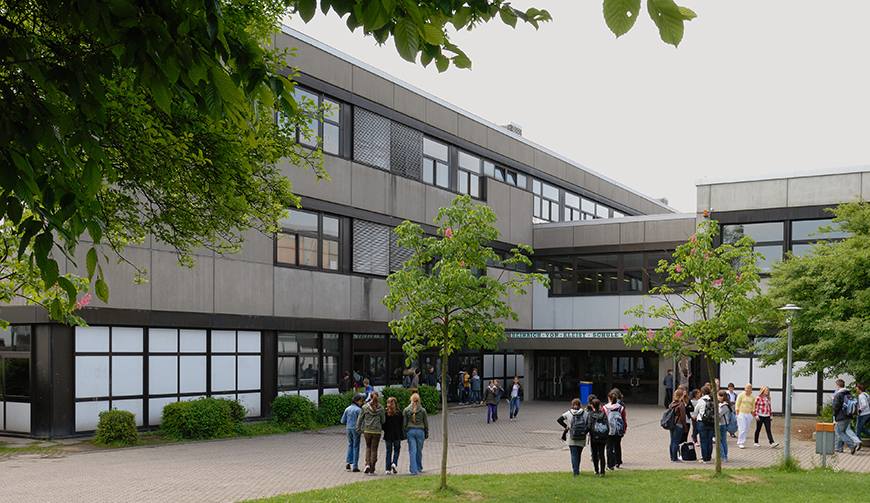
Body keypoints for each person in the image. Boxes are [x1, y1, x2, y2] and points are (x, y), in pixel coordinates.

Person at [356, 391, 386, 475]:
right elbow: (383, 420)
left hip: (367, 430)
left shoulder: (365, 407)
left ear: (370, 398)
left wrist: (358, 428)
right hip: (376, 431)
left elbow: (360, 418)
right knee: (374, 449)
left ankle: (367, 464)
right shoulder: (381, 408)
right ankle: (372, 469)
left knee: (368, 447)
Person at [557, 398, 587, 476]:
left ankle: (575, 471)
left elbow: (559, 420)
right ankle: (577, 468)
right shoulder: (585, 413)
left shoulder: (568, 413)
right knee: (579, 454)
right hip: (581, 437)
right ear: (580, 405)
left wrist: (566, 426)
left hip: (572, 437)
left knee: (574, 455)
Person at [403, 392, 429, 475]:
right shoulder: (423, 410)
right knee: (419, 450)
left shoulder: (406, 410)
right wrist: (426, 434)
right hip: (420, 431)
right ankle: (419, 467)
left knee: (412, 450)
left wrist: (403, 434)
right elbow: (426, 423)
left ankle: (413, 470)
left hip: (410, 431)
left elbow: (404, 423)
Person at [832, 379, 860, 454]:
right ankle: (839, 448)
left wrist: (834, 414)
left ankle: (852, 445)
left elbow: (836, 406)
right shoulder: (848, 394)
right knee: (843, 431)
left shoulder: (839, 394)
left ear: (838, 386)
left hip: (841, 416)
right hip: (849, 415)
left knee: (839, 432)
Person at [602, 389, 626, 470]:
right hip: (618, 429)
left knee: (609, 447)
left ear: (609, 398)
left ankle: (610, 465)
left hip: (609, 430)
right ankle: (618, 461)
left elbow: (603, 420)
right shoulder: (621, 408)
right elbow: (623, 419)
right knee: (617, 445)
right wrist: (623, 430)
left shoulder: (605, 408)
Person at [340, 394, 364, 472]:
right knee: (356, 446)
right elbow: (361, 421)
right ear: (357, 401)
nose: (361, 403)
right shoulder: (358, 410)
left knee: (350, 444)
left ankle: (348, 462)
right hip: (356, 429)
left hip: (348, 428)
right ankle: (355, 466)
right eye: (360, 401)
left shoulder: (347, 409)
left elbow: (342, 420)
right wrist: (362, 428)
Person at [586, 398, 608, 477]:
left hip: (594, 436)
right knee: (602, 453)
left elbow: (588, 426)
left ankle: (596, 470)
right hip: (602, 436)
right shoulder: (603, 414)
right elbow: (607, 425)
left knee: (595, 453)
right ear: (599, 405)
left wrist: (585, 433)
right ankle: (603, 472)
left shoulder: (590, 415)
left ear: (592, 406)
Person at [382, 397, 403, 475]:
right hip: (397, 434)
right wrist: (401, 435)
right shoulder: (399, 413)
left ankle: (387, 469)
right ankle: (394, 463)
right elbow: (401, 424)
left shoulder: (385, 413)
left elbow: (383, 424)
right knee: (397, 450)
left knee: (388, 451)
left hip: (388, 434)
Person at [694, 385, 714, 463]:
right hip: (711, 422)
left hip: (702, 422)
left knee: (703, 441)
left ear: (702, 393)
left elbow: (696, 411)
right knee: (709, 441)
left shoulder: (701, 401)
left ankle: (704, 457)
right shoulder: (712, 400)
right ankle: (709, 457)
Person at [668, 389, 688, 462]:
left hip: (672, 423)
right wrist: (685, 427)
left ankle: (672, 456)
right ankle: (674, 458)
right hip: (679, 424)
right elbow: (683, 417)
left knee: (672, 441)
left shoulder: (671, 404)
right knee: (676, 441)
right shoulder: (681, 404)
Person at [735, 383, 754, 449]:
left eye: (748, 388)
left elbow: (753, 406)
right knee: (742, 428)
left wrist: (752, 414)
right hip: (741, 413)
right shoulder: (741, 395)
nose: (747, 389)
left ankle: (743, 440)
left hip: (748, 414)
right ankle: (740, 442)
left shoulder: (752, 397)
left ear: (751, 389)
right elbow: (737, 404)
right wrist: (737, 413)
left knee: (746, 429)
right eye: (746, 388)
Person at [717, 390, 731, 462]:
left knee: (720, 441)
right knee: (723, 441)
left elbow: (719, 415)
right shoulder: (721, 405)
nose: (718, 397)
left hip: (722, 424)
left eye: (719, 396)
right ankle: (724, 456)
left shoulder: (724, 406)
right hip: (722, 424)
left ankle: (723, 456)